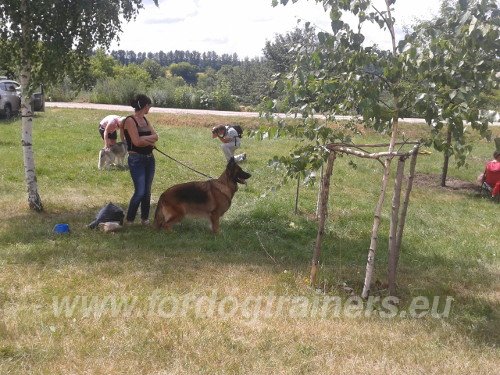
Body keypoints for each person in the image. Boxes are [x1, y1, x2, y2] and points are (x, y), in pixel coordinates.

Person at [123, 94, 158, 225]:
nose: (150, 108)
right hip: (136, 159)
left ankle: (145, 218)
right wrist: (147, 140)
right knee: (140, 191)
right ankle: (130, 219)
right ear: (145, 106)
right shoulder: (130, 121)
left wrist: (145, 139)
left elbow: (156, 136)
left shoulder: (145, 120)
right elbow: (136, 143)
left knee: (147, 191)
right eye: (149, 106)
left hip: (150, 158)